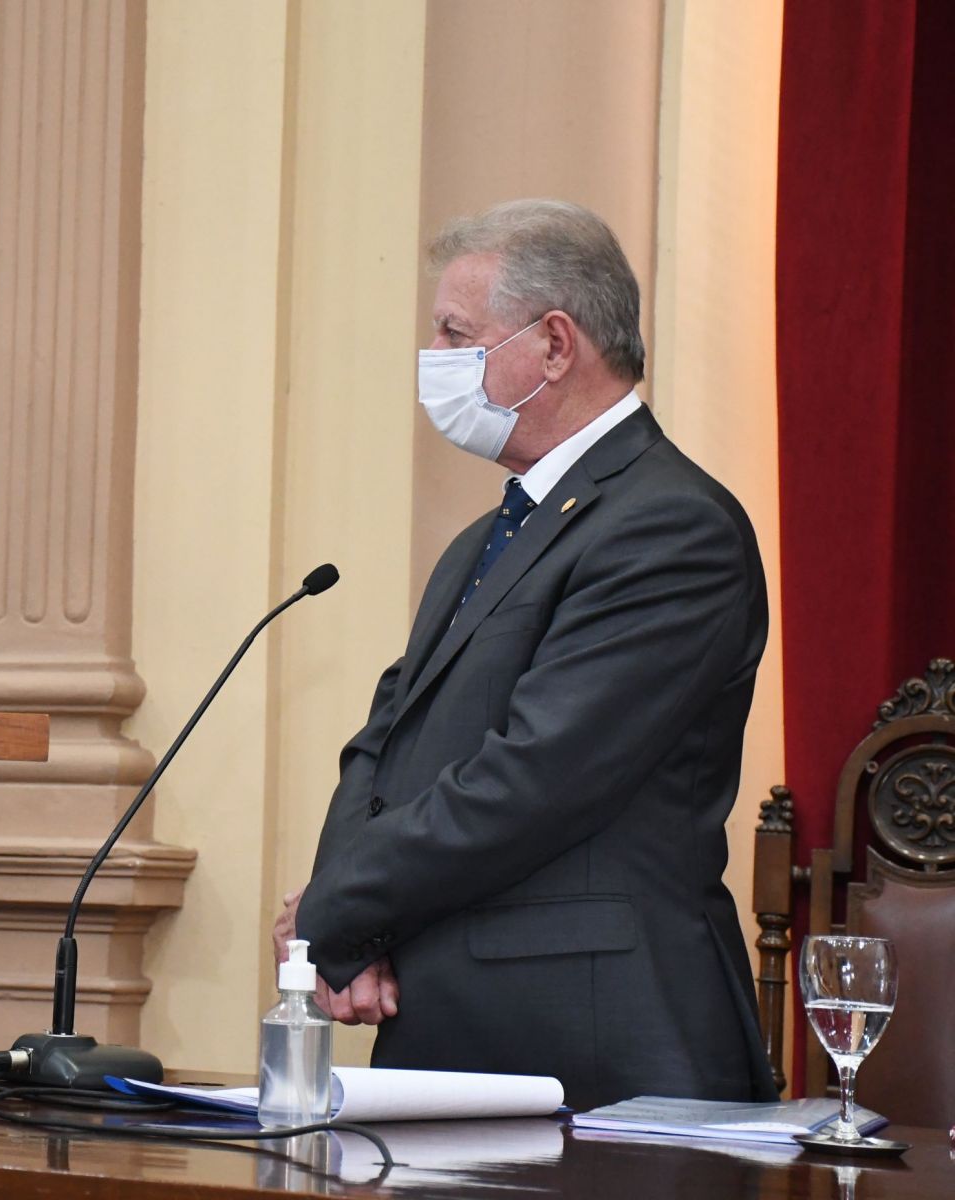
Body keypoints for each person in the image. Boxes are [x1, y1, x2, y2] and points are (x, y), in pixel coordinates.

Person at [278, 199, 775, 1109]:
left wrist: (334, 913)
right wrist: (342, 924)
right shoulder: (485, 540)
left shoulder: (672, 525)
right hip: (451, 1028)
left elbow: (536, 776)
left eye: (455, 334)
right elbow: (385, 743)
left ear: (553, 345)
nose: (433, 356)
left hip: (597, 1043)